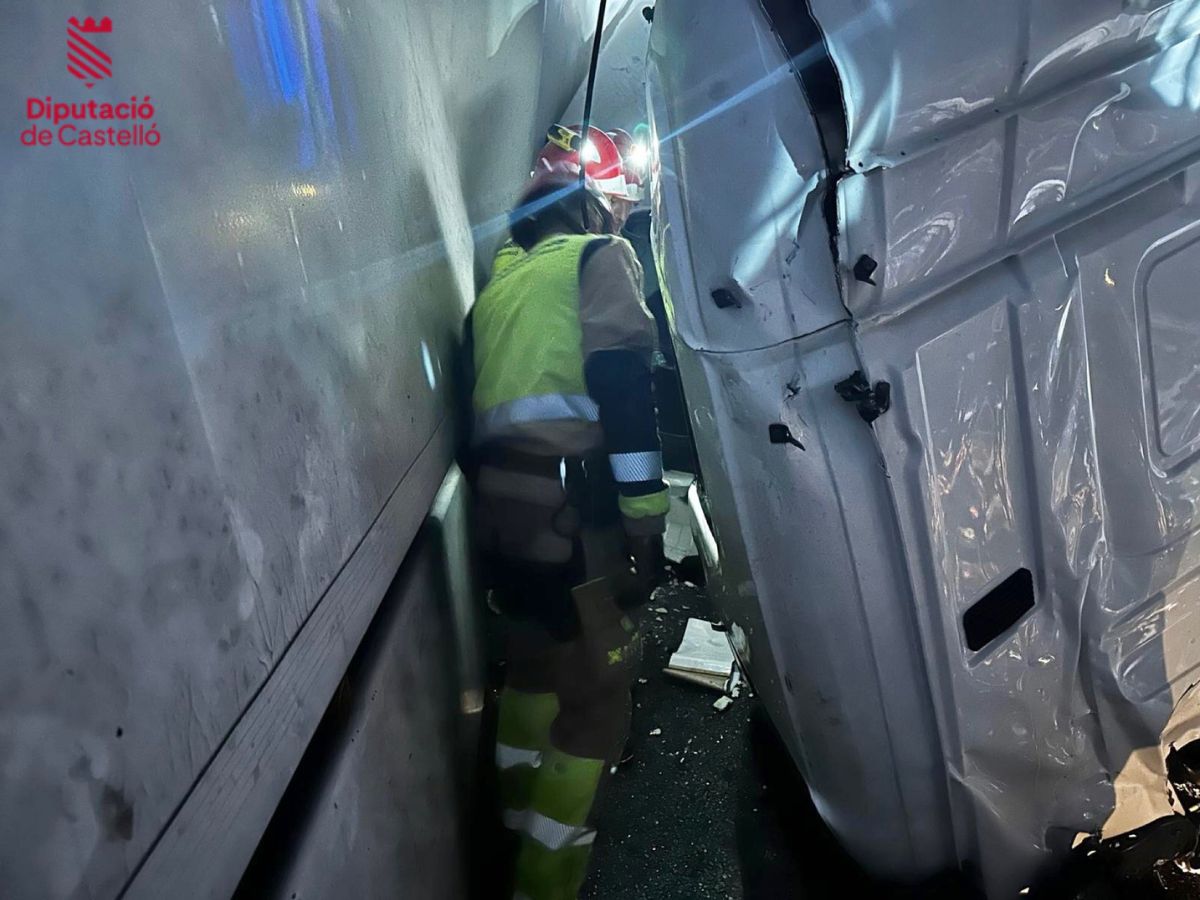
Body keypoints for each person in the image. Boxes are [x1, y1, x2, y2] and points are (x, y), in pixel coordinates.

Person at [467, 131, 668, 900]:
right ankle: (545, 885)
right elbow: (623, 389)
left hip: (500, 521)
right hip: (571, 524)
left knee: (530, 680)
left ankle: (514, 834)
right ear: (590, 207)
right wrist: (645, 524)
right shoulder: (599, 259)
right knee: (594, 701)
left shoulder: (501, 286)